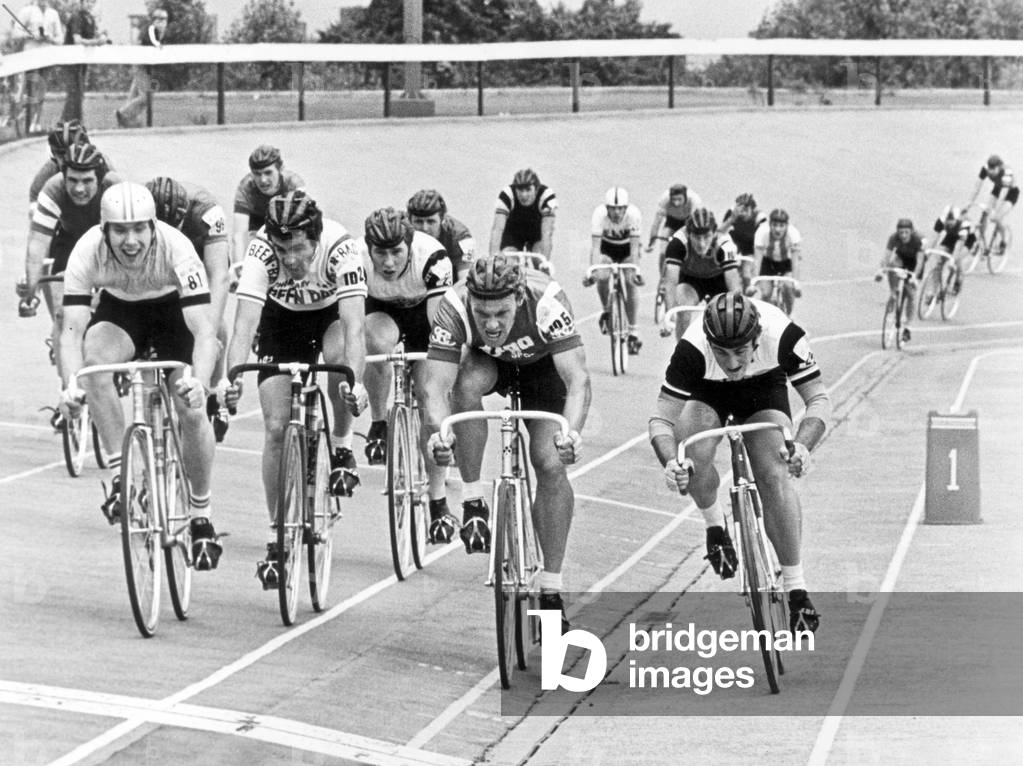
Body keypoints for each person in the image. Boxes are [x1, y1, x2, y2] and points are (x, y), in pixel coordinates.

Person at [57, 182, 223, 570]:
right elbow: (71, 332)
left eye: (139, 230)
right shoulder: (86, 251)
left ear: (152, 227)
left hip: (174, 314)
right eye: (120, 231)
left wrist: (199, 382)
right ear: (104, 231)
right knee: (93, 366)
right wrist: (68, 385)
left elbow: (204, 332)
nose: (130, 241)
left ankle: (200, 515)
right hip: (121, 312)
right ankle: (122, 477)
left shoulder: (178, 248)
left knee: (189, 406)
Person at [423, 254, 591, 630]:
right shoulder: (454, 306)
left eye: (501, 312)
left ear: (518, 298)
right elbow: (435, 387)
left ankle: (551, 588)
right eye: (483, 315)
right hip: (489, 365)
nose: (492, 323)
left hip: (544, 372)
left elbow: (578, 382)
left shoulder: (547, 302)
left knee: (549, 463)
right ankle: (473, 502)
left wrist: (572, 434)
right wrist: (440, 431)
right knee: (465, 385)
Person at [649, 291, 830, 634]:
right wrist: (671, 462)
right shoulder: (691, 349)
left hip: (764, 387)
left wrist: (803, 447)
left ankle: (797, 589)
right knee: (694, 458)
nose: (732, 362)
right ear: (709, 342)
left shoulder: (784, 335)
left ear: (757, 338)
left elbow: (818, 398)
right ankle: (715, 526)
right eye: (722, 352)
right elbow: (661, 420)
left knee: (774, 471)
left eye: (740, 351)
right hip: (707, 391)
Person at [223, 190, 368, 591]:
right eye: (282, 247)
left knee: (339, 362)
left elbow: (356, 329)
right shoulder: (260, 254)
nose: (289, 259)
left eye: (298, 248)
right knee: (274, 428)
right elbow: (243, 328)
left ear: (316, 240)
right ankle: (277, 536)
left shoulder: (342, 250)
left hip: (328, 319)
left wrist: (356, 384)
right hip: (281, 323)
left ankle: (340, 445)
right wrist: (229, 380)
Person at [358, 207, 458, 542]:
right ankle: (378, 423)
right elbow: (353, 324)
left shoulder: (433, 258)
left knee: (431, 407)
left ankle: (438, 501)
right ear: (368, 249)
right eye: (380, 254)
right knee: (375, 345)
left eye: (396, 252)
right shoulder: (355, 259)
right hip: (381, 313)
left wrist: (434, 373)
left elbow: (439, 325)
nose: (387, 263)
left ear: (410, 245)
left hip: (423, 318)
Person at [18, 142, 120, 395]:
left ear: (99, 177)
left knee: (107, 302)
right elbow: (37, 245)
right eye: (72, 180)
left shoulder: (114, 187)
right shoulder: (52, 189)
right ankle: (69, 391)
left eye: (87, 180)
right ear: (63, 177)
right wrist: (31, 290)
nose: (79, 188)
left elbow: (124, 245)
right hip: (69, 241)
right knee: (65, 318)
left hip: (105, 241)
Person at [146, 177, 231, 438]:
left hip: (197, 260)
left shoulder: (207, 213)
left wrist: (211, 329)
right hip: (157, 263)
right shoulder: (139, 210)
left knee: (216, 327)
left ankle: (216, 394)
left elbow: (219, 277)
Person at [659, 207, 742, 339]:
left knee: (727, 314)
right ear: (688, 233)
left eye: (706, 236)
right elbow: (671, 281)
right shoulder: (678, 242)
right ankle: (682, 353)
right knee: (682, 306)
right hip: (691, 281)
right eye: (696, 237)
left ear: (714, 233)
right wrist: (668, 316)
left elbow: (734, 285)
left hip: (719, 280)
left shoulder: (725, 244)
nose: (702, 244)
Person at [582, 186, 644, 354]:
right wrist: (593, 270)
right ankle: (606, 311)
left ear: (626, 208)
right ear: (607, 208)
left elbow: (634, 248)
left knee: (631, 281)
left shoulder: (634, 215)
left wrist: (636, 271)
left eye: (620, 209)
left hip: (627, 250)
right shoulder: (599, 215)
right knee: (601, 276)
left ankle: (633, 330)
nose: (617, 213)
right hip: (606, 249)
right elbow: (595, 248)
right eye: (613, 208)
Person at [232, 144, 305, 266]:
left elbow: (301, 229)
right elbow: (239, 235)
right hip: (258, 220)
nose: (263, 180)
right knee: (255, 254)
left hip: (286, 222)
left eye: (268, 173)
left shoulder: (294, 185)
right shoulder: (246, 188)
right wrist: (238, 266)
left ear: (280, 169)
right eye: (257, 173)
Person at [11, 0, 63, 132]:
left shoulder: (53, 14)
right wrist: (30, 35)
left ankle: (36, 122)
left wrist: (49, 38)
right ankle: (26, 122)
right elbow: (15, 33)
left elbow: (60, 39)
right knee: (32, 88)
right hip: (31, 56)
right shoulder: (27, 11)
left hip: (47, 55)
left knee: (42, 88)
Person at [115, 7, 167, 128]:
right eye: (158, 19)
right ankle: (123, 114)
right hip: (142, 67)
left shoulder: (160, 32)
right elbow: (150, 43)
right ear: (153, 20)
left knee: (139, 95)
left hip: (151, 70)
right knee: (146, 97)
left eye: (164, 19)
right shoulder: (150, 29)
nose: (161, 21)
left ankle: (129, 121)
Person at [406, 189, 475, 280]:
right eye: (418, 222)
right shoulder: (401, 231)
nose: (424, 228)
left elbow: (464, 282)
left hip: (450, 282)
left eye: (431, 222)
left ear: (443, 219)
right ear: (409, 220)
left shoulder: (461, 237)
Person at [875, 218, 925, 343]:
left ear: (911, 232)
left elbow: (920, 261)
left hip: (914, 264)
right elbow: (886, 256)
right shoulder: (893, 238)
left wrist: (914, 276)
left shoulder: (918, 240)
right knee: (892, 266)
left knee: (911, 295)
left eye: (906, 232)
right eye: (901, 232)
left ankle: (907, 327)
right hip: (902, 259)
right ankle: (894, 292)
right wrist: (881, 270)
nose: (903, 235)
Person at [488, 168, 557, 258]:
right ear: (515, 189)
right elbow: (497, 230)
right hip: (513, 231)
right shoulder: (507, 195)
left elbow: (546, 234)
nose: (524, 195)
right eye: (520, 190)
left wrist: (544, 262)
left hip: (536, 232)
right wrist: (492, 259)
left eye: (528, 190)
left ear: (536, 189)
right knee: (509, 258)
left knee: (538, 257)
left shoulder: (547, 196)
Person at [28, 119, 89, 216]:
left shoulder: (102, 167)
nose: (69, 159)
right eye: (62, 155)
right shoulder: (46, 174)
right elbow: (35, 206)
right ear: (54, 155)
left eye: (75, 152)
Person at [60, 0, 108, 122]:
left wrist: (102, 37)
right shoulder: (76, 17)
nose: (89, 4)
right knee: (73, 93)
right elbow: (77, 40)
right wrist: (96, 42)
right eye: (87, 1)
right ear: (81, 3)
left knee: (79, 93)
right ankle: (66, 122)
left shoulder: (90, 18)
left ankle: (74, 122)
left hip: (82, 60)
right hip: (70, 60)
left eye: (92, 2)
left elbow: (94, 35)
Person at [751, 208, 802, 315]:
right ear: (770, 225)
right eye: (774, 225)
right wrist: (753, 283)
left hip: (785, 263)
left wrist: (796, 284)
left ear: (787, 226)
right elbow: (757, 260)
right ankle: (764, 317)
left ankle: (788, 315)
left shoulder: (794, 234)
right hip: (767, 263)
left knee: (788, 288)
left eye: (781, 226)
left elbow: (795, 262)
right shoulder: (761, 232)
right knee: (766, 293)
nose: (777, 229)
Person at [646, 182, 703, 274]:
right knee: (663, 252)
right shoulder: (664, 200)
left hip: (688, 223)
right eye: (674, 199)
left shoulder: (694, 200)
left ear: (685, 196)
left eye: (679, 199)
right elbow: (657, 223)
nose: (676, 203)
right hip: (671, 223)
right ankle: (663, 279)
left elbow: (696, 223)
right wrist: (651, 242)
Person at [719, 192, 764, 289]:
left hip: (751, 248)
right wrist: (732, 218)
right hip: (736, 246)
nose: (742, 213)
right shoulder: (733, 213)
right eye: (740, 210)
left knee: (746, 273)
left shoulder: (760, 217)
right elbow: (720, 232)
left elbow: (764, 240)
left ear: (753, 209)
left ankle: (748, 293)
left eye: (746, 210)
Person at [930, 205, 976, 295]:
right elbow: (935, 238)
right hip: (951, 237)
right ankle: (934, 291)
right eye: (947, 222)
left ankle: (958, 279)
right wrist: (928, 253)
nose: (949, 224)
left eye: (952, 222)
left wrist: (952, 260)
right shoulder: (941, 221)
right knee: (938, 262)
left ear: (957, 220)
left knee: (956, 259)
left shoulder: (964, 224)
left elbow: (958, 246)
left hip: (966, 240)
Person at [968, 154, 1018, 225]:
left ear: (999, 168)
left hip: (1011, 193)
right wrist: (969, 203)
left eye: (993, 169)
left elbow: (1004, 194)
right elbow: (977, 187)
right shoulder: (985, 169)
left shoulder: (1006, 175)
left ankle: (1003, 234)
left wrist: (995, 210)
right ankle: (981, 235)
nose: (990, 171)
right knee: (985, 213)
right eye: (989, 168)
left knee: (995, 218)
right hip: (998, 187)